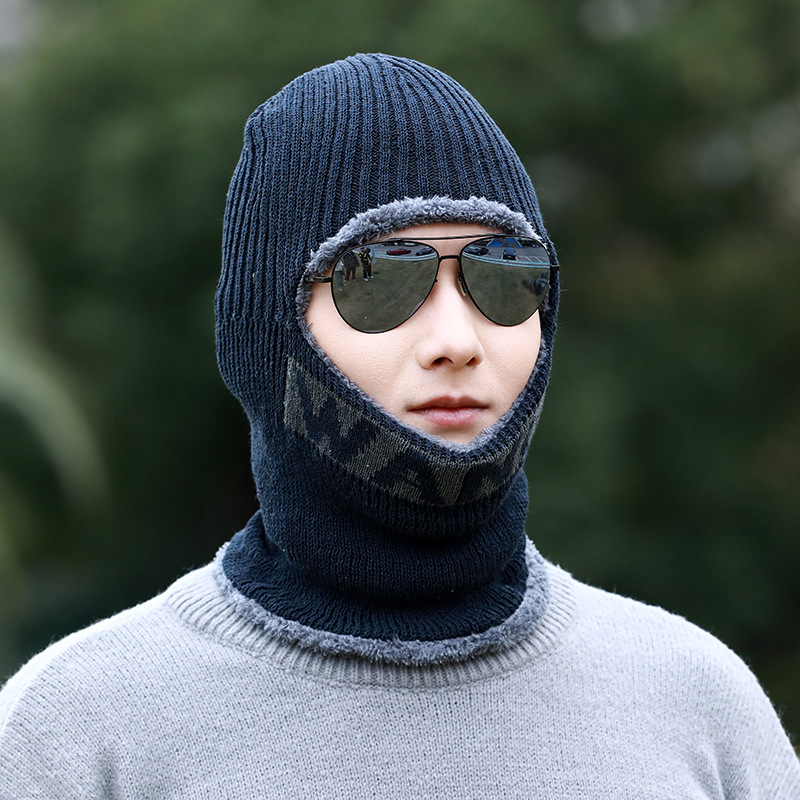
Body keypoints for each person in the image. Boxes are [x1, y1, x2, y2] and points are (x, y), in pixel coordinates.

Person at [0, 53, 797, 798]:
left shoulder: (699, 708)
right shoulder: (78, 731)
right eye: (379, 278)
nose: (456, 339)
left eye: (505, 274)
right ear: (265, 331)